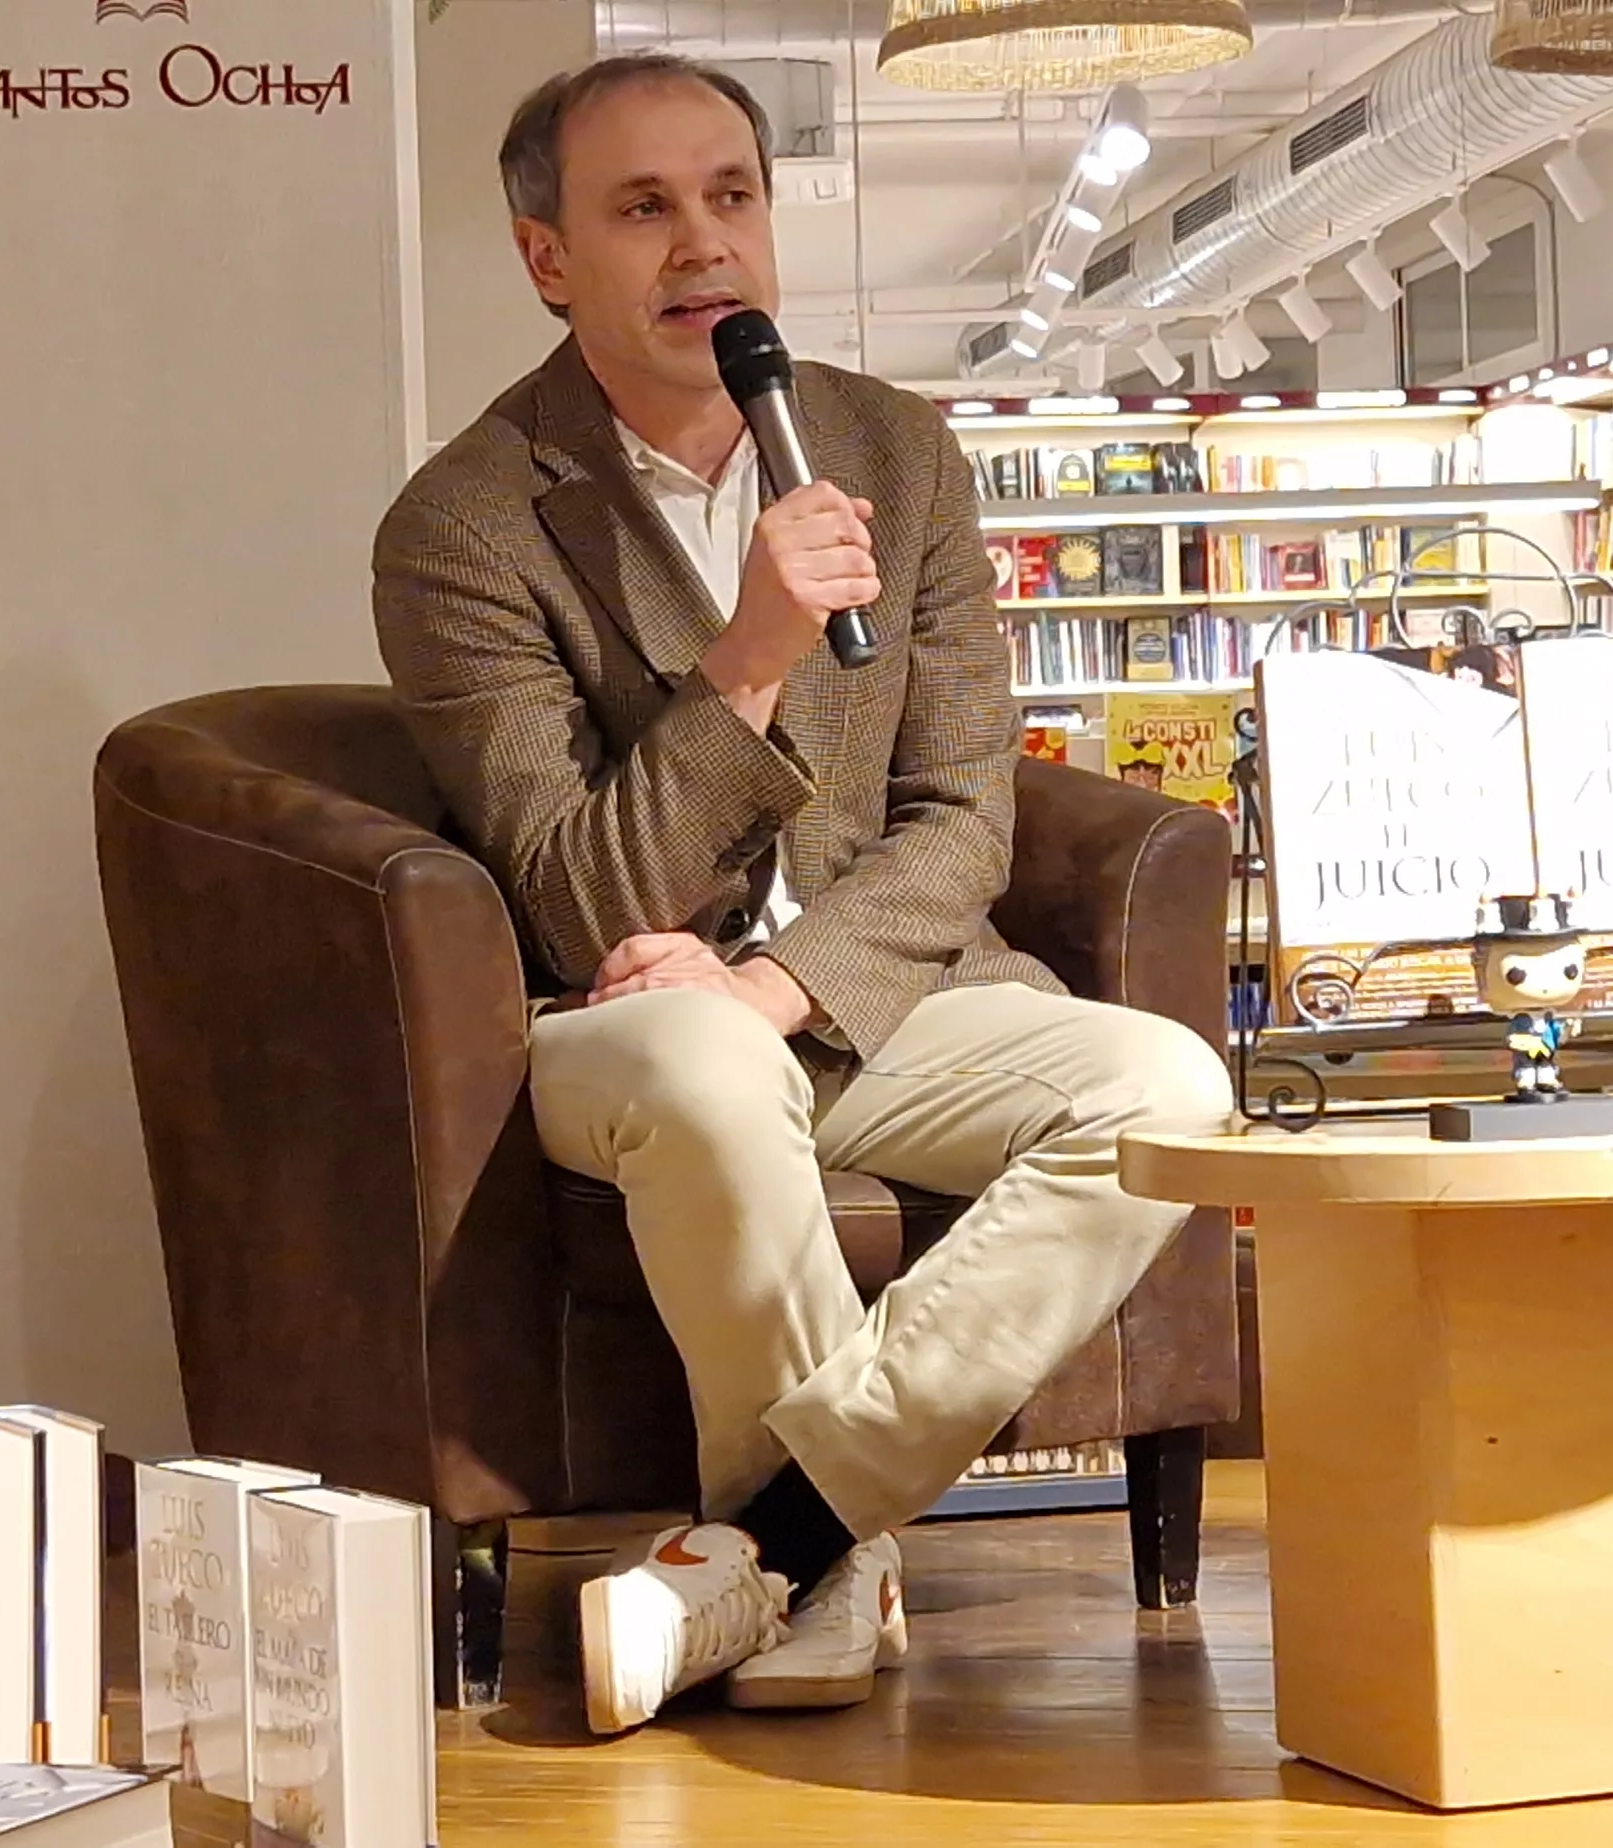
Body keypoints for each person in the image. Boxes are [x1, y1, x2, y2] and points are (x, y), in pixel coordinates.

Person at [368, 55, 1237, 1737]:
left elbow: (963, 815)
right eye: (644, 208)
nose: (704, 245)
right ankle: (819, 1574)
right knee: (700, 1064)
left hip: (869, 997)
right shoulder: (464, 523)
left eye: (732, 197)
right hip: (624, 1031)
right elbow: (572, 895)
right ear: (550, 257)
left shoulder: (893, 451)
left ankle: (786, 1534)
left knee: (1165, 1091)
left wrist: (785, 985)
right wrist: (750, 657)